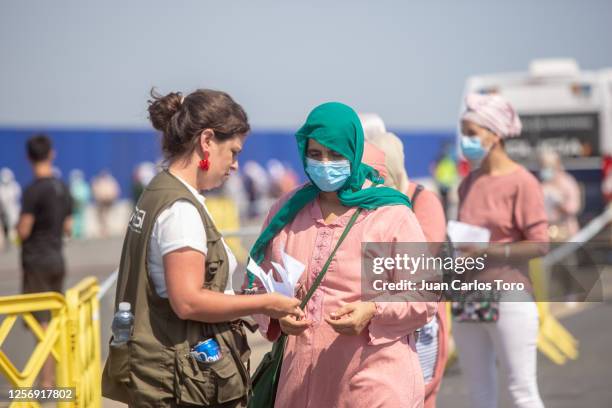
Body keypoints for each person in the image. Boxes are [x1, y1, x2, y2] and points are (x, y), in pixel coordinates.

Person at [101, 88, 302, 408]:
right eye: (233, 152)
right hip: (181, 384)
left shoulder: (159, 191)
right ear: (207, 141)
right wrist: (266, 303)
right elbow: (189, 301)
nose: (235, 165)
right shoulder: (181, 210)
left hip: (168, 376)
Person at [247, 102, 437, 408]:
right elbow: (260, 283)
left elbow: (425, 295)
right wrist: (277, 314)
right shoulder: (287, 211)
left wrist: (373, 310)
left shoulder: (389, 215)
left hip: (374, 381)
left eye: (336, 154)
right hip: (302, 383)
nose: (325, 163)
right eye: (316, 154)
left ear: (354, 152)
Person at [453, 93, 548, 408]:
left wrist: (490, 252)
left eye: (471, 133)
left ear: (494, 134)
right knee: (479, 394)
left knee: (521, 392)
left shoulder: (523, 183)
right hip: (469, 294)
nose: (465, 140)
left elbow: (540, 243)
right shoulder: (469, 183)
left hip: (509, 296)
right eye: (463, 132)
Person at [362, 133, 449, 408]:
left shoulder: (422, 200)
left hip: (418, 320)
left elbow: (418, 263)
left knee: (420, 394)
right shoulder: (370, 201)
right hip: (382, 317)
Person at [17, 134, 73, 388]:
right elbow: (69, 227)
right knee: (54, 319)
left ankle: (47, 383)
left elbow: (23, 231)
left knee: (42, 324)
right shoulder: (63, 188)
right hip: (57, 258)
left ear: (29, 157)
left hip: (36, 261)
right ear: (51, 154)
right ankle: (57, 376)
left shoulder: (32, 191)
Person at [91, 169, 120, 237]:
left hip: (107, 201)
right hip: (102, 201)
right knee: (103, 216)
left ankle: (105, 230)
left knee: (105, 216)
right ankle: (104, 230)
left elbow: (115, 191)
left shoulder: (110, 182)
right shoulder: (100, 181)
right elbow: (95, 191)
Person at [0, 167, 22, 249]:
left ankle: (16, 242)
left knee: (14, 226)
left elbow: (16, 198)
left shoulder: (15, 186)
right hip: (3, 211)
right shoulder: (1, 188)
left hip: (13, 210)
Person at [68, 169, 91, 238]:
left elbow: (87, 194)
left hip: (79, 206)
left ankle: (79, 233)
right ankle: (75, 233)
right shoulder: (73, 185)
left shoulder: (81, 185)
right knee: (76, 219)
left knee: (80, 219)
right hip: (75, 206)